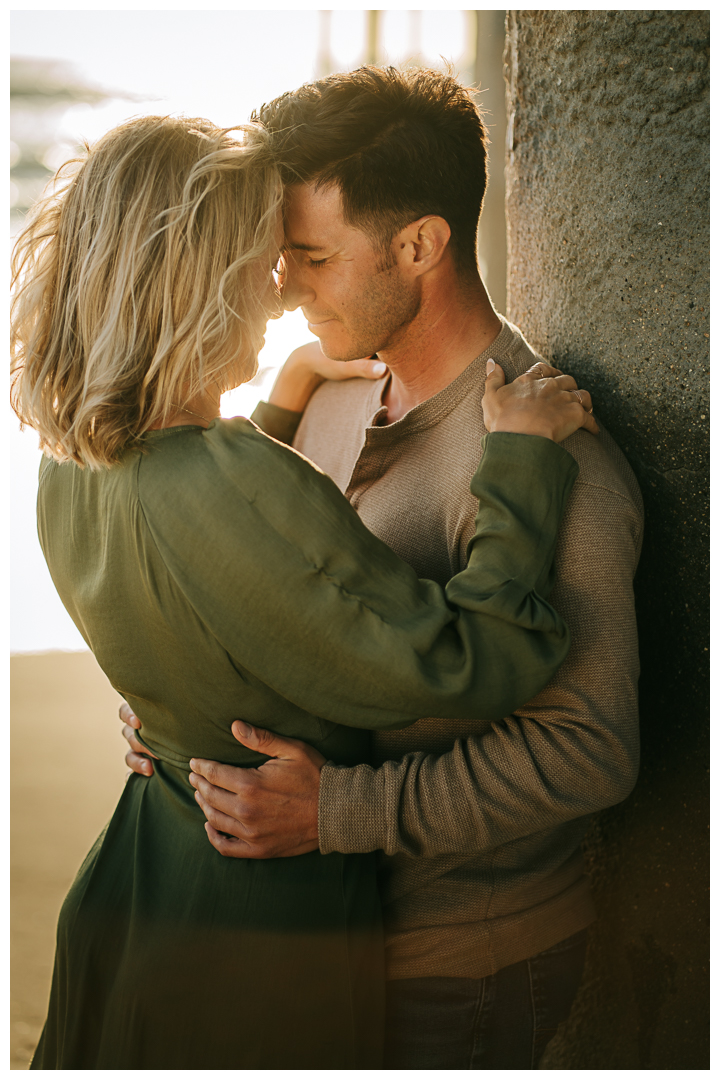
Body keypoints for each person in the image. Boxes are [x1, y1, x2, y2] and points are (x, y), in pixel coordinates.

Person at [11, 115, 597, 1069]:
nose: (278, 293)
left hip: (138, 880)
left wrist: (277, 405)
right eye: (262, 260)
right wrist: (524, 465)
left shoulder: (70, 465)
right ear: (195, 281)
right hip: (258, 932)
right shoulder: (237, 482)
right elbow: (470, 662)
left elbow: (215, 579)